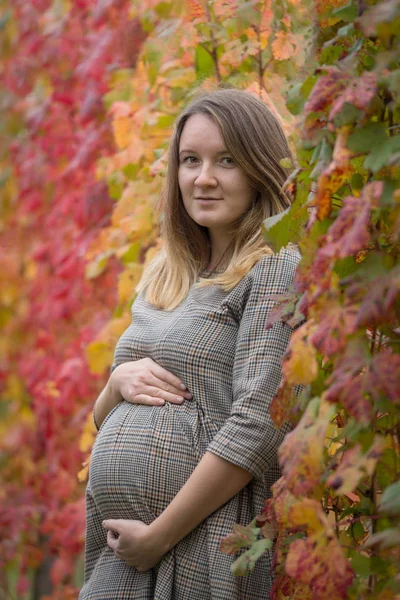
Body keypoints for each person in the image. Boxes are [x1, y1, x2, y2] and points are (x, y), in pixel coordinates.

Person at [79, 88, 301, 600]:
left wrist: (159, 535)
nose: (203, 178)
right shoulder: (166, 273)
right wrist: (114, 386)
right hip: (124, 556)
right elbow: (106, 416)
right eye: (189, 160)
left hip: (204, 545)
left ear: (258, 168)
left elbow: (259, 421)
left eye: (226, 160)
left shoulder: (273, 265)